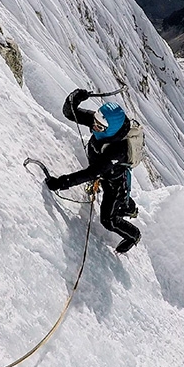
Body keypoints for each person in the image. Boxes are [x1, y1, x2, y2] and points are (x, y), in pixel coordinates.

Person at [45, 89, 141, 253]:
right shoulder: (104, 124)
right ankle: (127, 206)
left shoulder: (118, 150)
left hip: (115, 183)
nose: (94, 127)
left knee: (108, 220)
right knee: (116, 201)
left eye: (99, 126)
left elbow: (93, 172)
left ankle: (134, 235)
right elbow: (70, 113)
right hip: (105, 173)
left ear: (110, 129)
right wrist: (75, 98)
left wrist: (61, 183)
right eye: (95, 122)